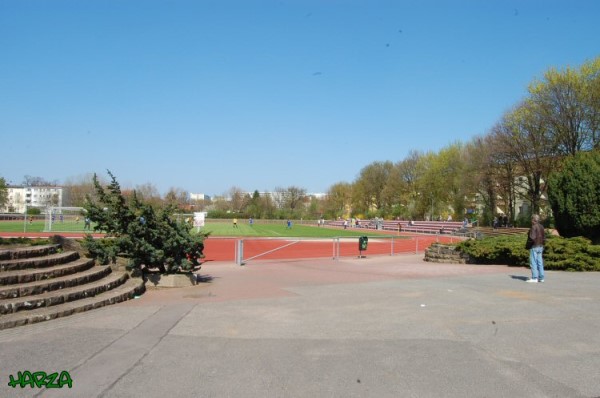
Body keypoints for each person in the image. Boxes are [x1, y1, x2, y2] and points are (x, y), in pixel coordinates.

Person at [526, 214, 545, 283]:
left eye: (531, 219)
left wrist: (528, 245)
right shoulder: (541, 226)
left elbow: (532, 238)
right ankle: (541, 277)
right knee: (540, 262)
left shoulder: (533, 227)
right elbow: (544, 237)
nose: (531, 221)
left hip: (534, 246)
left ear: (533, 220)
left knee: (533, 262)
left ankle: (534, 278)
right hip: (540, 246)